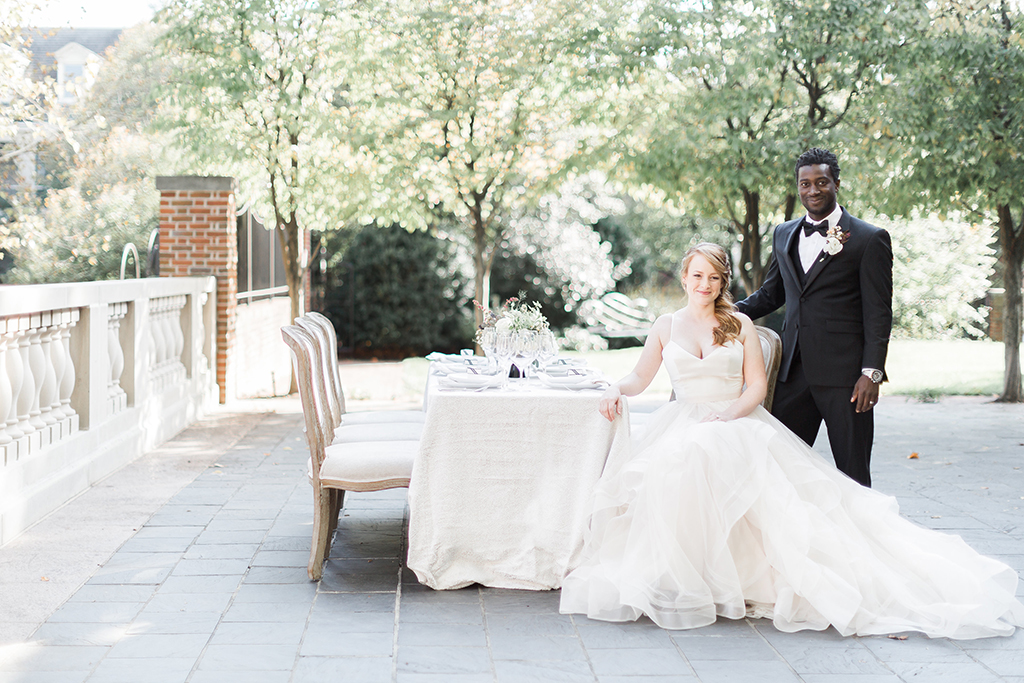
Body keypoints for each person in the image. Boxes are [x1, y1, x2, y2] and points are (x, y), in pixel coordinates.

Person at [558, 243, 1023, 638]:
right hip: (682, 420)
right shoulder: (665, 326)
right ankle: (688, 577)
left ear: (723, 283)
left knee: (709, 455)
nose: (705, 284)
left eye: (714, 278)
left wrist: (726, 415)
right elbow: (641, 377)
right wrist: (615, 388)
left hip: (734, 418)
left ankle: (744, 578)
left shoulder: (738, 323)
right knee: (674, 462)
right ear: (684, 276)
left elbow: (757, 388)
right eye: (697, 275)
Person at [735, 148, 891, 487]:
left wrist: (872, 373)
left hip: (847, 379)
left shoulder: (868, 239)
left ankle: (859, 538)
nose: (813, 190)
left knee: (853, 474)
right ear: (798, 187)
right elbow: (771, 295)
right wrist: (726, 312)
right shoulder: (783, 233)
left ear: (837, 183)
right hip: (792, 372)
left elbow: (878, 313)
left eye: (822, 182)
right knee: (778, 465)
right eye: (805, 184)